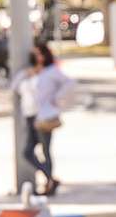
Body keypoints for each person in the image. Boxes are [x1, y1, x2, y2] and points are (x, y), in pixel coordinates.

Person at [13, 41, 72, 194]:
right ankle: (50, 178)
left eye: (40, 53)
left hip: (45, 116)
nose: (37, 57)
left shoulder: (51, 71)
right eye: (35, 54)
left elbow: (69, 83)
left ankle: (49, 184)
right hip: (30, 117)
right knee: (27, 152)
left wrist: (57, 98)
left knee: (45, 150)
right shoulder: (29, 73)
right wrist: (28, 73)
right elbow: (15, 86)